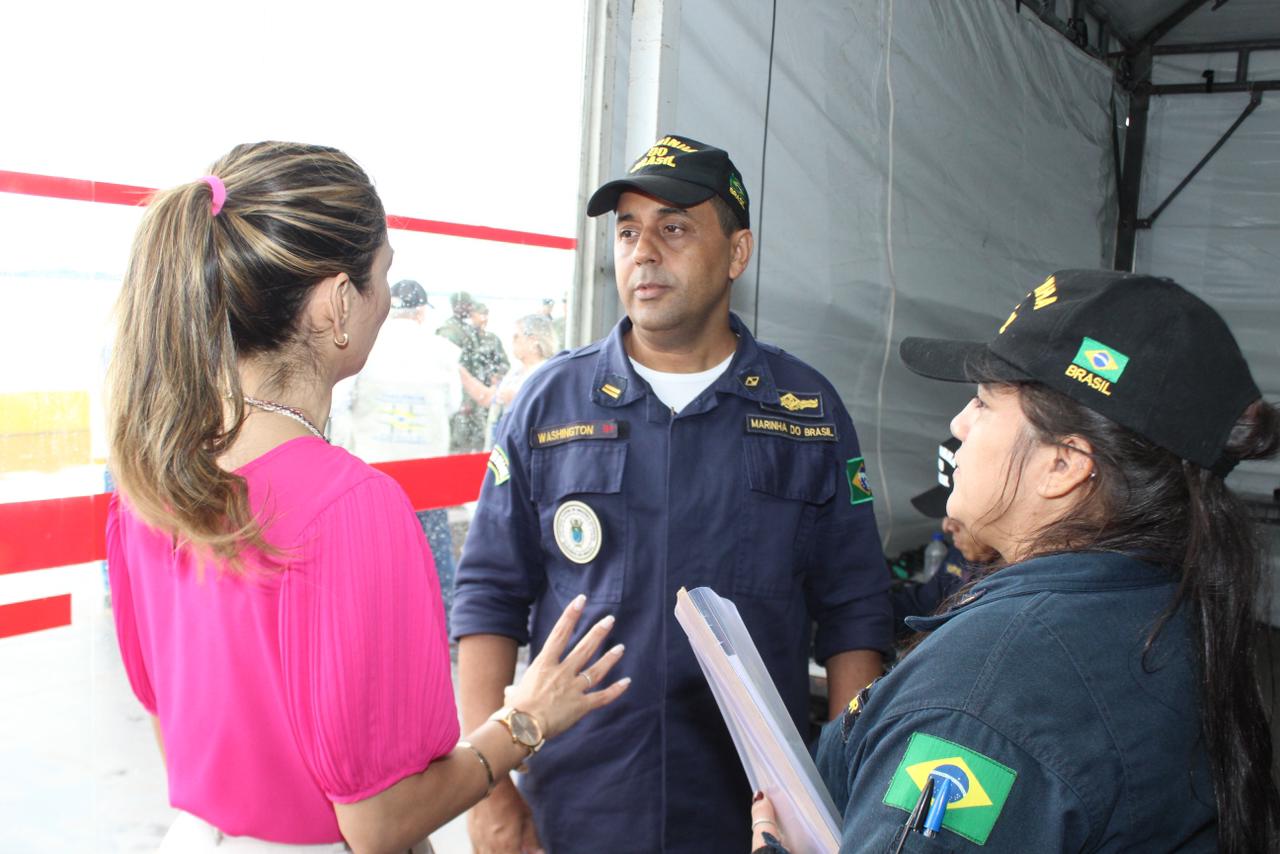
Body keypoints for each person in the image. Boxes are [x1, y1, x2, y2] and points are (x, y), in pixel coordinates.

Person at [104, 141, 628, 853]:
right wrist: (526, 720)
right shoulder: (350, 506)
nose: (386, 300)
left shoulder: (153, 483)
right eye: (382, 274)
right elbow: (379, 821)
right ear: (337, 302)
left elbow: (177, 737)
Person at [452, 134, 891, 854]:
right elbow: (488, 598)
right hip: (580, 807)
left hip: (756, 817)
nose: (644, 252)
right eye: (628, 232)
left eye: (675, 228)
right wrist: (491, 795)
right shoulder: (550, 403)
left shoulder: (806, 412)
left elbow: (856, 610)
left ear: (737, 252)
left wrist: (841, 793)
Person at [750, 269, 1280, 852]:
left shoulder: (980, 696)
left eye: (983, 402)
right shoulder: (1164, 606)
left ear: (1062, 466)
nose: (958, 423)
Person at [347, 279, 464, 624]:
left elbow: (343, 403)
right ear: (422, 312)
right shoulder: (443, 350)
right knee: (434, 550)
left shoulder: (366, 343)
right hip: (427, 470)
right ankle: (444, 622)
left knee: (372, 551)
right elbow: (453, 405)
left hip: (374, 466)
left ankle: (374, 618)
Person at [890, 437, 996, 636]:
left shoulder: (1021, 583)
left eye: (958, 512)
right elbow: (923, 604)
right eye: (947, 511)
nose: (946, 525)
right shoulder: (961, 554)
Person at [486, 313, 558, 442]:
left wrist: (516, 399)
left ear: (533, 341)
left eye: (516, 337)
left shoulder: (547, 373)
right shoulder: (515, 371)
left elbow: (548, 413)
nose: (512, 341)